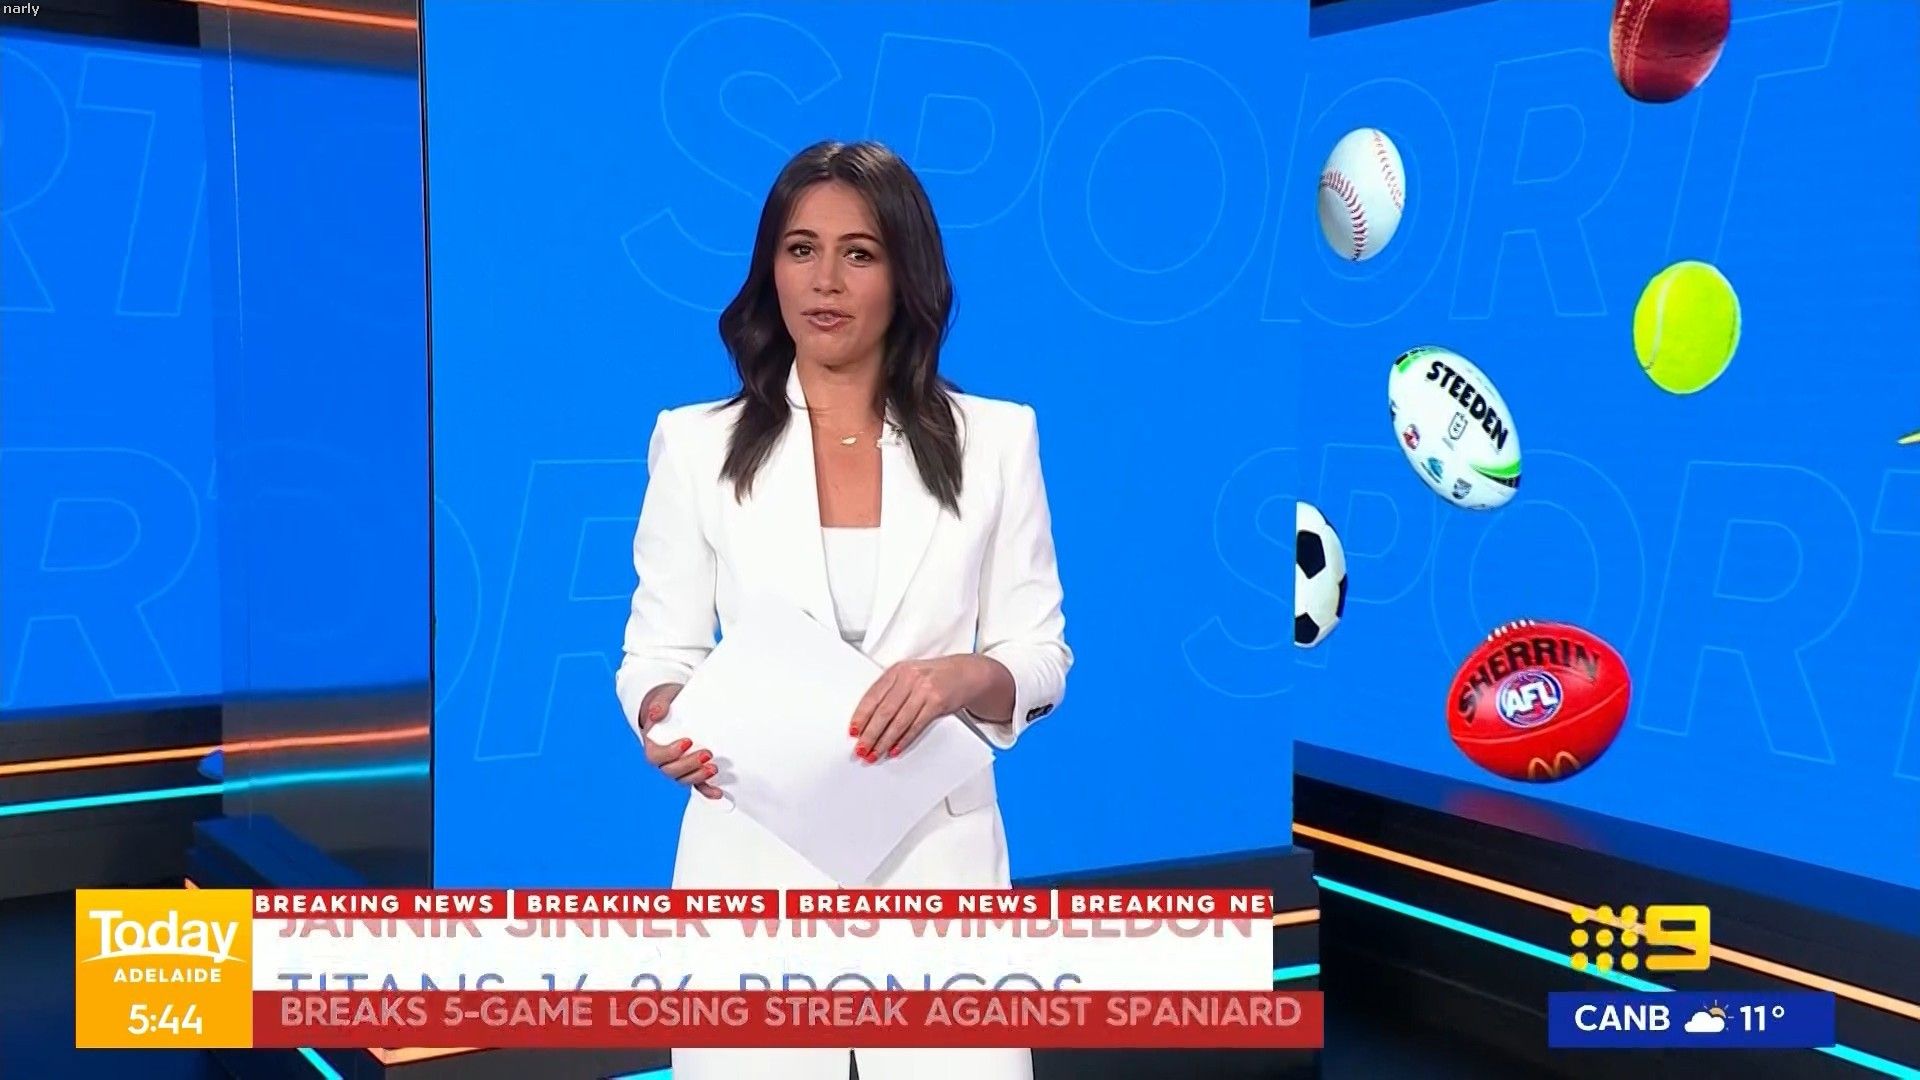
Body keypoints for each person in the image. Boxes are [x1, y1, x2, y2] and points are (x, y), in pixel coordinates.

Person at [613, 140, 1072, 1080]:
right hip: (752, 859)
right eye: (800, 250)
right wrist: (666, 717)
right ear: (770, 270)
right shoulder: (696, 447)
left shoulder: (996, 441)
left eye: (859, 253)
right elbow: (657, 653)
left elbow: (1040, 654)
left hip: (938, 861)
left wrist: (960, 679)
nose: (825, 280)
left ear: (906, 275)